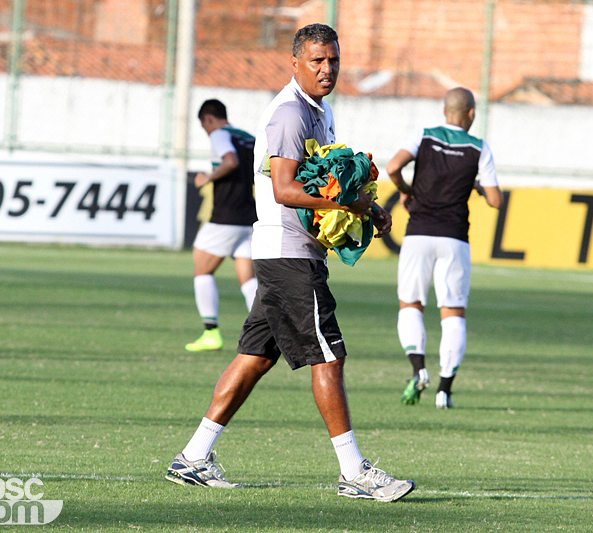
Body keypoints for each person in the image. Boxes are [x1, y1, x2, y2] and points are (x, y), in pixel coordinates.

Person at [165, 23, 415, 502]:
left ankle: (193, 457)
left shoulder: (320, 112)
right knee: (329, 355)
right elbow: (283, 189)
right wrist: (350, 205)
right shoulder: (288, 113)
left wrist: (369, 204)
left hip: (287, 253)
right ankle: (354, 473)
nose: (327, 69)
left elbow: (320, 181)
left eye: (333, 60)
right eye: (317, 61)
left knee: (256, 357)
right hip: (287, 254)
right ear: (295, 63)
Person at [386, 87, 503, 409]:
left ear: (444, 111)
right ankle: (444, 391)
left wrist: (406, 191)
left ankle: (417, 369)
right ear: (470, 113)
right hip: (454, 238)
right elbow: (495, 201)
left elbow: (393, 167)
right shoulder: (479, 147)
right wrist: (477, 186)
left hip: (418, 232)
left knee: (410, 305)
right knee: (453, 314)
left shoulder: (424, 134)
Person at [185, 99, 258, 352]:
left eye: (204, 126)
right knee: (248, 279)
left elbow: (230, 161)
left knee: (201, 270)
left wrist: (208, 178)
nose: (207, 132)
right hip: (250, 215)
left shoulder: (219, 135)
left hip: (226, 216)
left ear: (208, 119)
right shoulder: (248, 137)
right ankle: (270, 330)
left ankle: (211, 332)